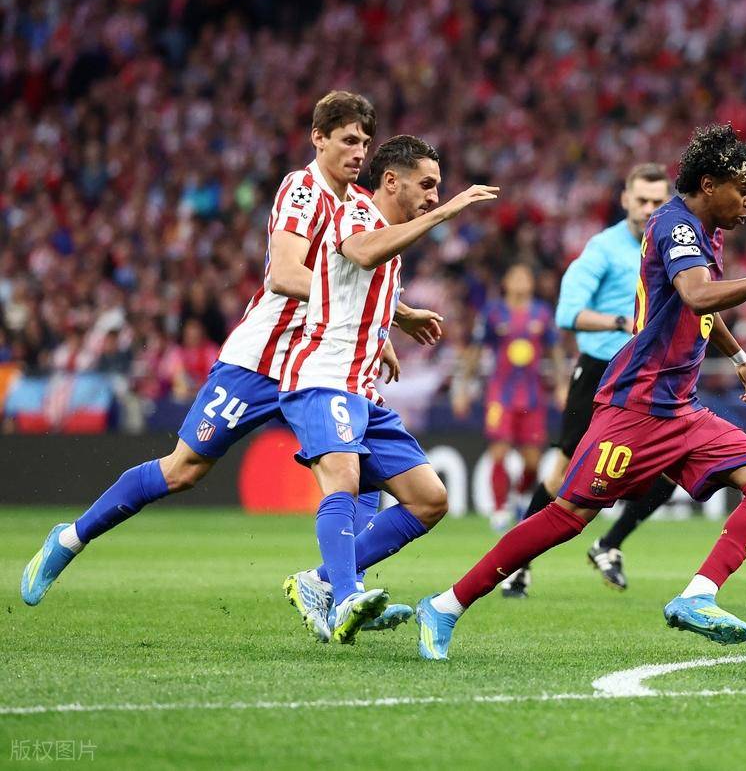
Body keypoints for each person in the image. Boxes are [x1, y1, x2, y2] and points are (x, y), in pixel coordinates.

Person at [21, 92, 441, 627]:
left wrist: (387, 320)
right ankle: (70, 538)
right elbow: (283, 274)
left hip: (324, 363)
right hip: (261, 360)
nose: (359, 152)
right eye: (348, 140)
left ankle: (339, 592)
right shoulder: (302, 190)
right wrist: (369, 312)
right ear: (319, 139)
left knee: (355, 471)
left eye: (364, 142)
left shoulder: (362, 202)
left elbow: (361, 280)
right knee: (183, 470)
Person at [414, 124, 746, 660]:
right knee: (567, 516)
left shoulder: (708, 230)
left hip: (681, 409)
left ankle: (697, 596)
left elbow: (699, 308)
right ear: (709, 184)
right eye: (742, 190)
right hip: (637, 406)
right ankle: (444, 605)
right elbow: (698, 295)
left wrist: (741, 359)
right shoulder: (675, 226)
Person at [278, 135, 498, 643]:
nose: (434, 196)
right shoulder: (356, 211)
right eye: (428, 185)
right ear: (392, 181)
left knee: (429, 500)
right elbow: (360, 252)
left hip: (361, 387)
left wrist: (391, 327)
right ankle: (345, 596)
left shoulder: (392, 241)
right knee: (344, 480)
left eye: (439, 189)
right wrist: (444, 214)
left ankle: (320, 581)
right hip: (321, 377)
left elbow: (355, 287)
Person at [501, 162, 677, 598]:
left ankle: (608, 544)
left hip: (649, 374)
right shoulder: (602, 249)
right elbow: (566, 314)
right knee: (563, 474)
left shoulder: (673, 245)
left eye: (657, 201)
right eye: (642, 200)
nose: (649, 208)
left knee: (675, 466)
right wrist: (621, 322)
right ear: (625, 199)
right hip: (600, 372)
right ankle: (517, 563)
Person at [452, 263, 567, 531]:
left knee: (532, 461)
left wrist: (562, 385)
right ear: (505, 282)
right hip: (500, 396)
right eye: (514, 276)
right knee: (499, 451)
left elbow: (555, 351)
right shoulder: (493, 312)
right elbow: (475, 351)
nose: (520, 282)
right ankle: (500, 510)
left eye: (524, 277)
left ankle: (519, 495)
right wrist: (462, 388)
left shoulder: (542, 313)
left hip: (533, 396)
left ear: (531, 283)